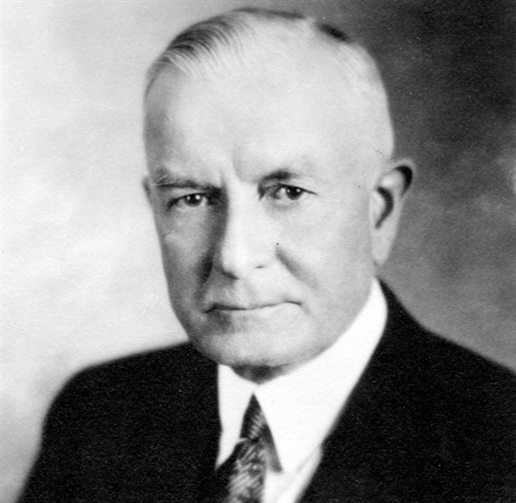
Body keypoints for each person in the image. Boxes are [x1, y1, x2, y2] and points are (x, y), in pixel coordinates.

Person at [19, 8, 516, 503]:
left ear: (379, 211)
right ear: (155, 209)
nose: (234, 257)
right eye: (192, 199)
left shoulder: (499, 445)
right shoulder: (96, 417)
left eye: (288, 193)